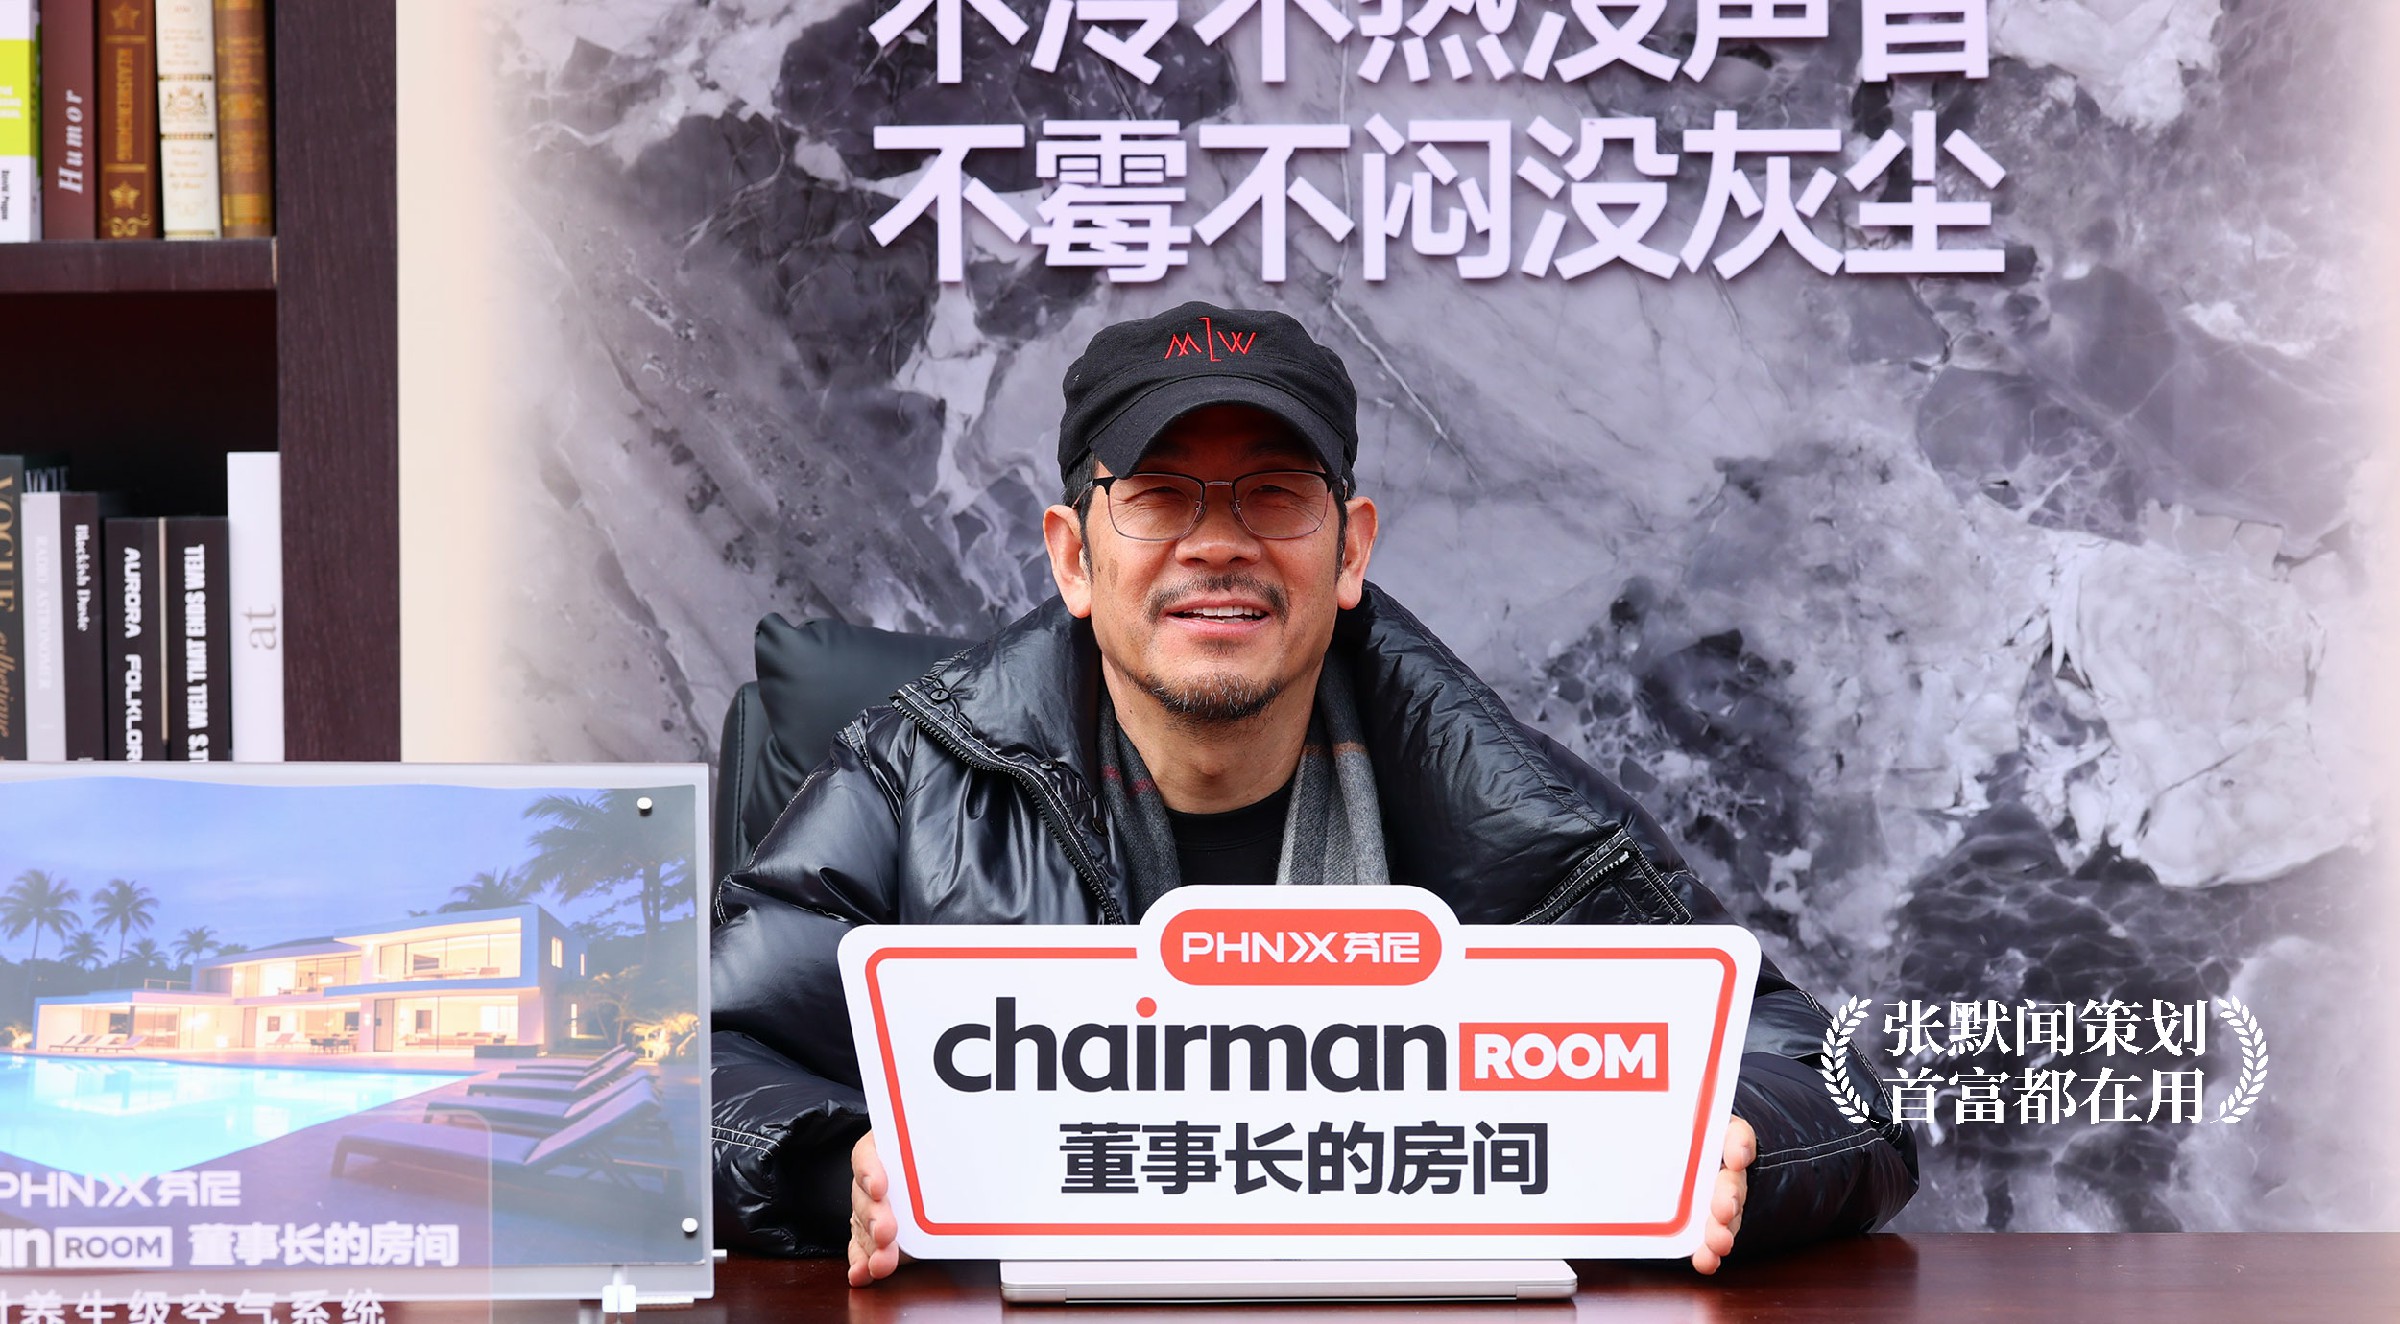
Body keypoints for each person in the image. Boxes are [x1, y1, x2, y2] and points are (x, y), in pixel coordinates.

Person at [710, 301, 1918, 1283]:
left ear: (1351, 550)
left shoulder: (1509, 806)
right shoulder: (917, 776)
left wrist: (1735, 1148)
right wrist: (835, 1168)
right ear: (1074, 557)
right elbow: (673, 1065)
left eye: (1276, 495)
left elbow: (1837, 1084)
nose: (1217, 544)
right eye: (1159, 495)